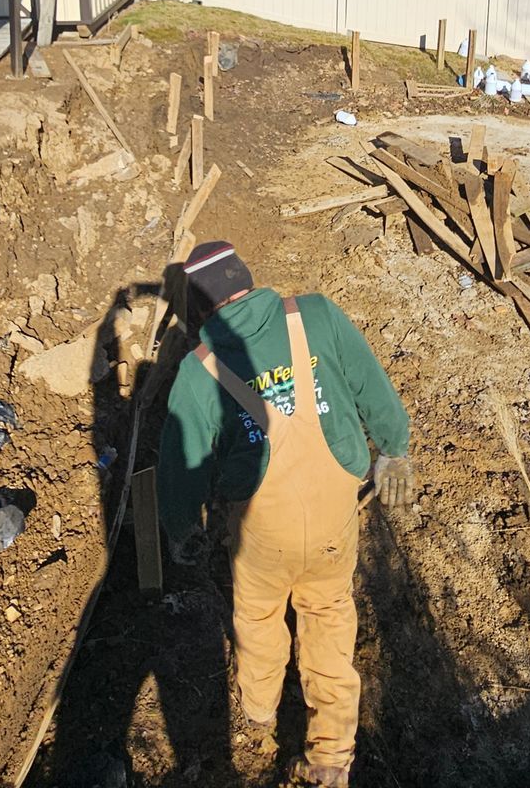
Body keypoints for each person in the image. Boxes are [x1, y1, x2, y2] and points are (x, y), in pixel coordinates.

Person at [158, 240, 416, 788]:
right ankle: (331, 754)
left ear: (203, 310)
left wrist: (183, 531)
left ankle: (258, 713)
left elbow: (179, 467)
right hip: (332, 517)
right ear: (248, 282)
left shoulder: (198, 368)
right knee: (327, 610)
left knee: (256, 616)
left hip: (261, 530)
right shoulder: (315, 316)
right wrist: (394, 448)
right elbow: (373, 388)